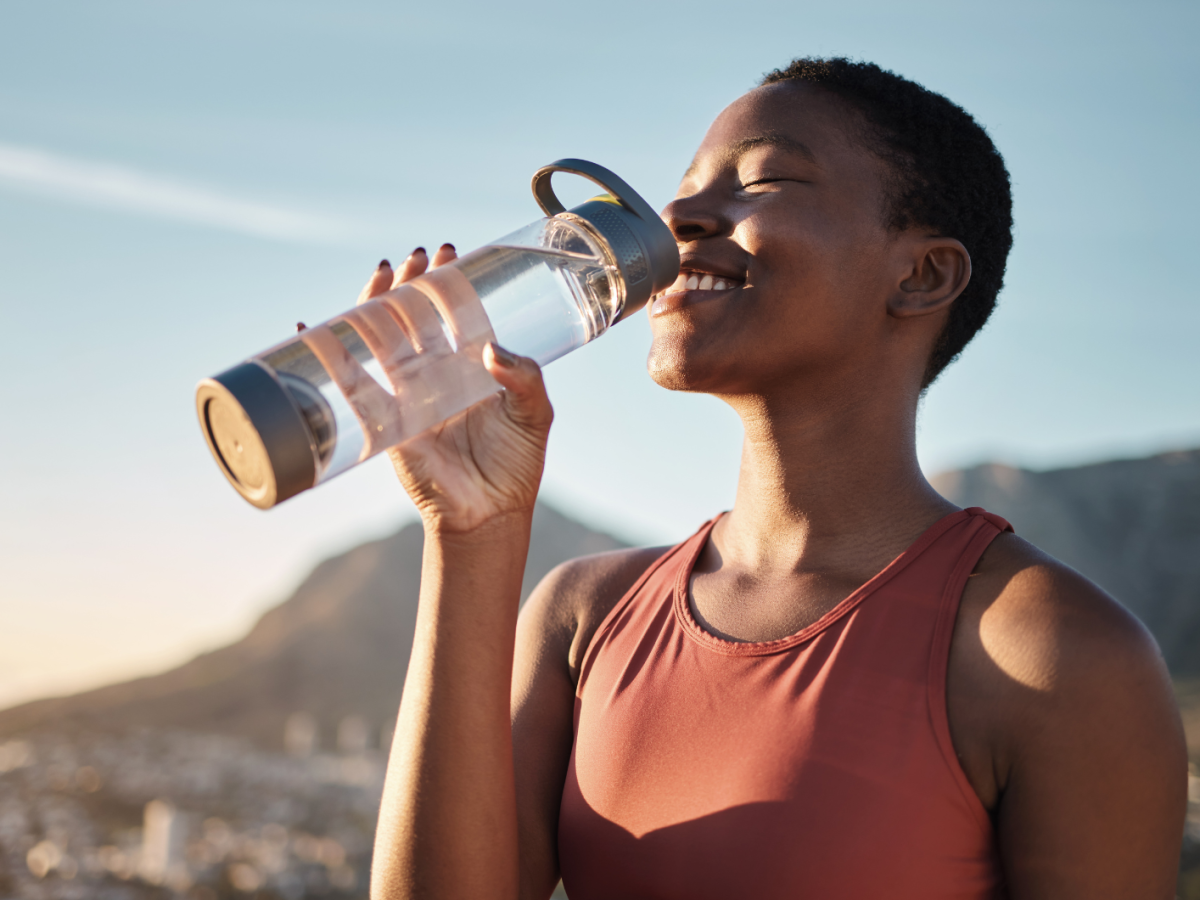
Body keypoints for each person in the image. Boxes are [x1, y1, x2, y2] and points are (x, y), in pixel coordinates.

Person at [363, 58, 1187, 899]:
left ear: (922, 275)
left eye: (765, 180)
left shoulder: (1052, 654)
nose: (677, 215)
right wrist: (469, 533)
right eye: (684, 188)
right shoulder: (586, 616)